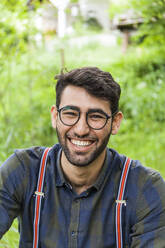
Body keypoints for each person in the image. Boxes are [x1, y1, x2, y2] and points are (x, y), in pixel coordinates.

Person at [0, 67, 165, 248]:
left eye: (95, 117)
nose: (81, 130)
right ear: (55, 116)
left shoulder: (145, 187)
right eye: (71, 113)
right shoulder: (24, 170)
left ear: (115, 123)